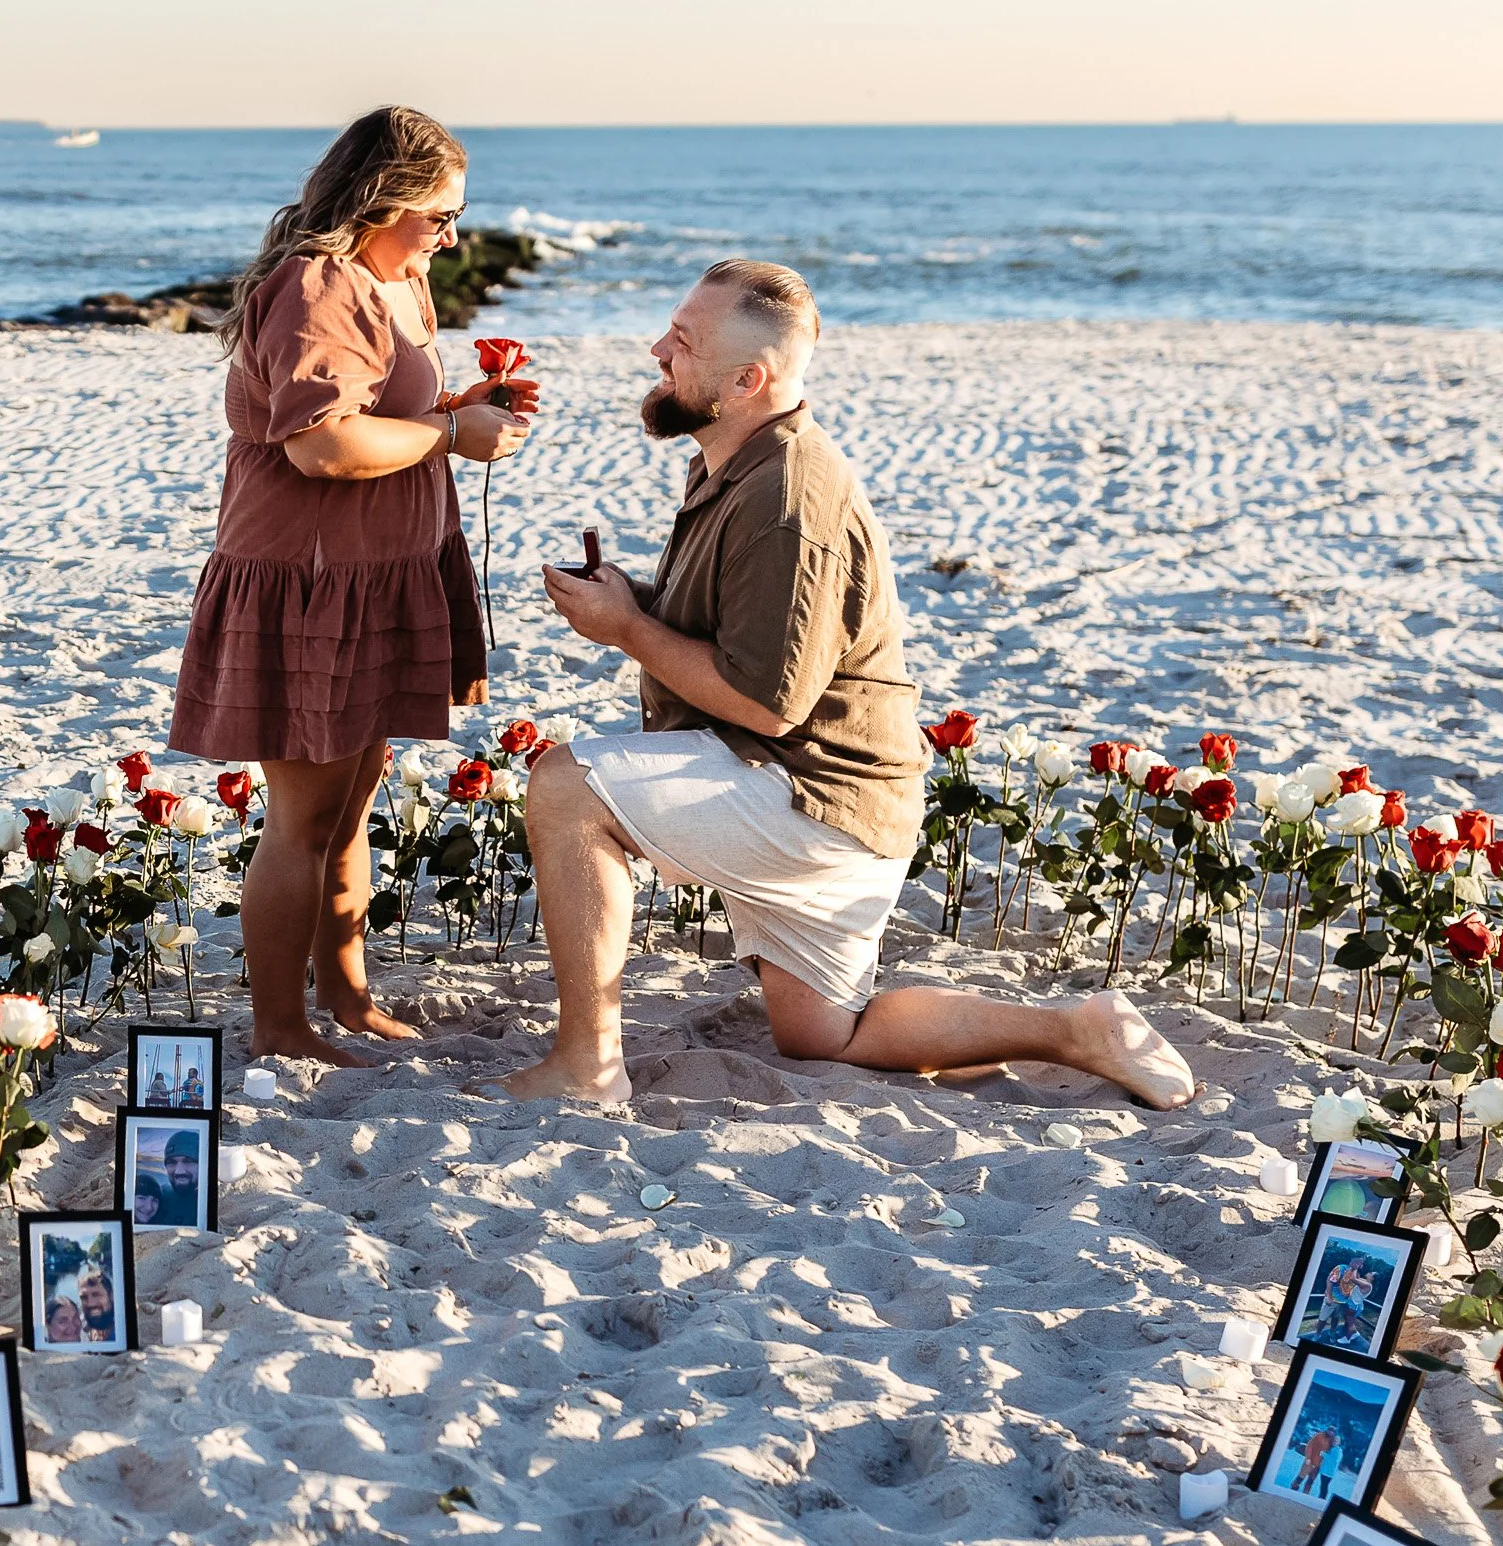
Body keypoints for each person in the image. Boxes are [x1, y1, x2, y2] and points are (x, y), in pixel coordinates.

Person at [484, 260, 1197, 1109]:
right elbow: (739, 634)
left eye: (681, 340)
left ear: (748, 379)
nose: (656, 350)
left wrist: (629, 629)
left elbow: (765, 701)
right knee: (827, 1034)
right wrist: (632, 602)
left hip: (812, 798)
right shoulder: (734, 458)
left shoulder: (788, 497)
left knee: (567, 785)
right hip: (851, 798)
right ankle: (1079, 1030)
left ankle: (588, 1068)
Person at [169, 105, 535, 1068]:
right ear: (379, 201)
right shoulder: (317, 285)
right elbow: (324, 442)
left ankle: (347, 995)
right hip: (314, 581)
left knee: (350, 806)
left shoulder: (393, 276)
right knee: (302, 820)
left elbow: (378, 408)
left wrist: (460, 408)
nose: (452, 237)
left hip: (381, 575)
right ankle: (280, 1030)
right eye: (438, 216)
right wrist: (455, 436)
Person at [160, 1131, 202, 1226]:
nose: (179, 1171)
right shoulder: (158, 1196)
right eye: (171, 1162)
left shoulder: (221, 1201)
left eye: (188, 1161)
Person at [78, 1265, 117, 1340]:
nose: (90, 1303)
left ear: (111, 1295)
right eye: (84, 1297)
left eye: (96, 1295)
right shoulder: (78, 1327)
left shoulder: (124, 1332)